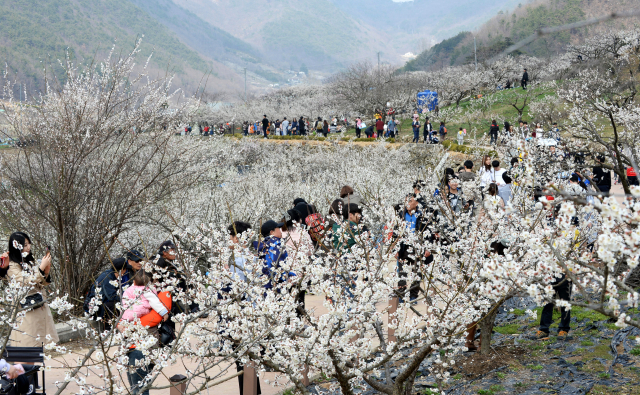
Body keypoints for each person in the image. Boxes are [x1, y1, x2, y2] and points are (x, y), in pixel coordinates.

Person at [6, 232, 59, 347]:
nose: (29, 247)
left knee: (41, 345)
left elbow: (39, 284)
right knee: (28, 344)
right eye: (25, 245)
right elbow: (27, 281)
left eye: (29, 244)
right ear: (16, 246)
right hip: (25, 310)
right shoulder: (11, 265)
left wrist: (45, 272)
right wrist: (40, 268)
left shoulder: (28, 261)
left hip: (39, 305)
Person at [254, 220, 293, 291]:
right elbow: (275, 265)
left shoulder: (264, 245)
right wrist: (290, 276)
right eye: (278, 229)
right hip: (277, 284)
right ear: (272, 232)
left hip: (267, 284)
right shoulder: (275, 245)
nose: (280, 231)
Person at [534, 274, 571, 341]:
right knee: (547, 303)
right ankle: (544, 329)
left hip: (565, 275)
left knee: (565, 304)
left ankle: (564, 329)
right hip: (549, 275)